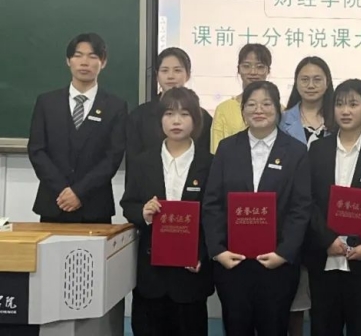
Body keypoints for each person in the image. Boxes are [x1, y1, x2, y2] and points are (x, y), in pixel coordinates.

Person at [202, 80, 312, 336]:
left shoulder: (296, 151)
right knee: (236, 327)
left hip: (277, 264)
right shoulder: (227, 148)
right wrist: (218, 251)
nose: (258, 110)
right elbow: (212, 203)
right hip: (233, 263)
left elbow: (301, 207)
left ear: (278, 109)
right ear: (242, 111)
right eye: (251, 104)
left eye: (266, 104)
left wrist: (284, 253)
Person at [120, 87, 213, 336]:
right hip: (152, 273)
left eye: (184, 114)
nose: (176, 121)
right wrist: (143, 212)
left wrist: (201, 255)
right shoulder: (143, 161)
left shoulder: (210, 163)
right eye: (169, 114)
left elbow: (215, 216)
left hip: (191, 273)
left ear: (196, 120)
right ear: (160, 120)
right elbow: (128, 204)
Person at [305, 79, 361, 336]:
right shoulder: (318, 150)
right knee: (323, 328)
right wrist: (327, 239)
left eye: (353, 104)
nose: (345, 111)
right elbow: (307, 201)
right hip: (324, 259)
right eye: (340, 104)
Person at [28, 32, 128, 223]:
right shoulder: (47, 102)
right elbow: (36, 150)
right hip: (54, 202)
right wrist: (63, 191)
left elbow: (113, 157)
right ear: (68, 61)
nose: (84, 62)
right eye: (78, 55)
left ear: (103, 62)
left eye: (92, 56)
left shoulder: (115, 106)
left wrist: (79, 192)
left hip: (94, 205)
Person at [279, 56, 335, 335]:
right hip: (294, 216)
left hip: (332, 217)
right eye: (304, 79)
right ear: (296, 83)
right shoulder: (281, 120)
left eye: (317, 79)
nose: (310, 85)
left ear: (327, 83)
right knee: (295, 302)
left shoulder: (339, 118)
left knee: (328, 302)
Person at [126, 48, 213, 175]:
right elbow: (133, 163)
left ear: (188, 75)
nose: (171, 76)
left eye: (177, 70)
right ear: (157, 75)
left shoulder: (203, 117)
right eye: (164, 70)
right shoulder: (139, 116)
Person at [210, 43, 272, 153]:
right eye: (246, 66)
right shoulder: (223, 109)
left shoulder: (280, 110)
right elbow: (216, 153)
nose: (253, 72)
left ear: (268, 70)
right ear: (238, 69)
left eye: (260, 67)